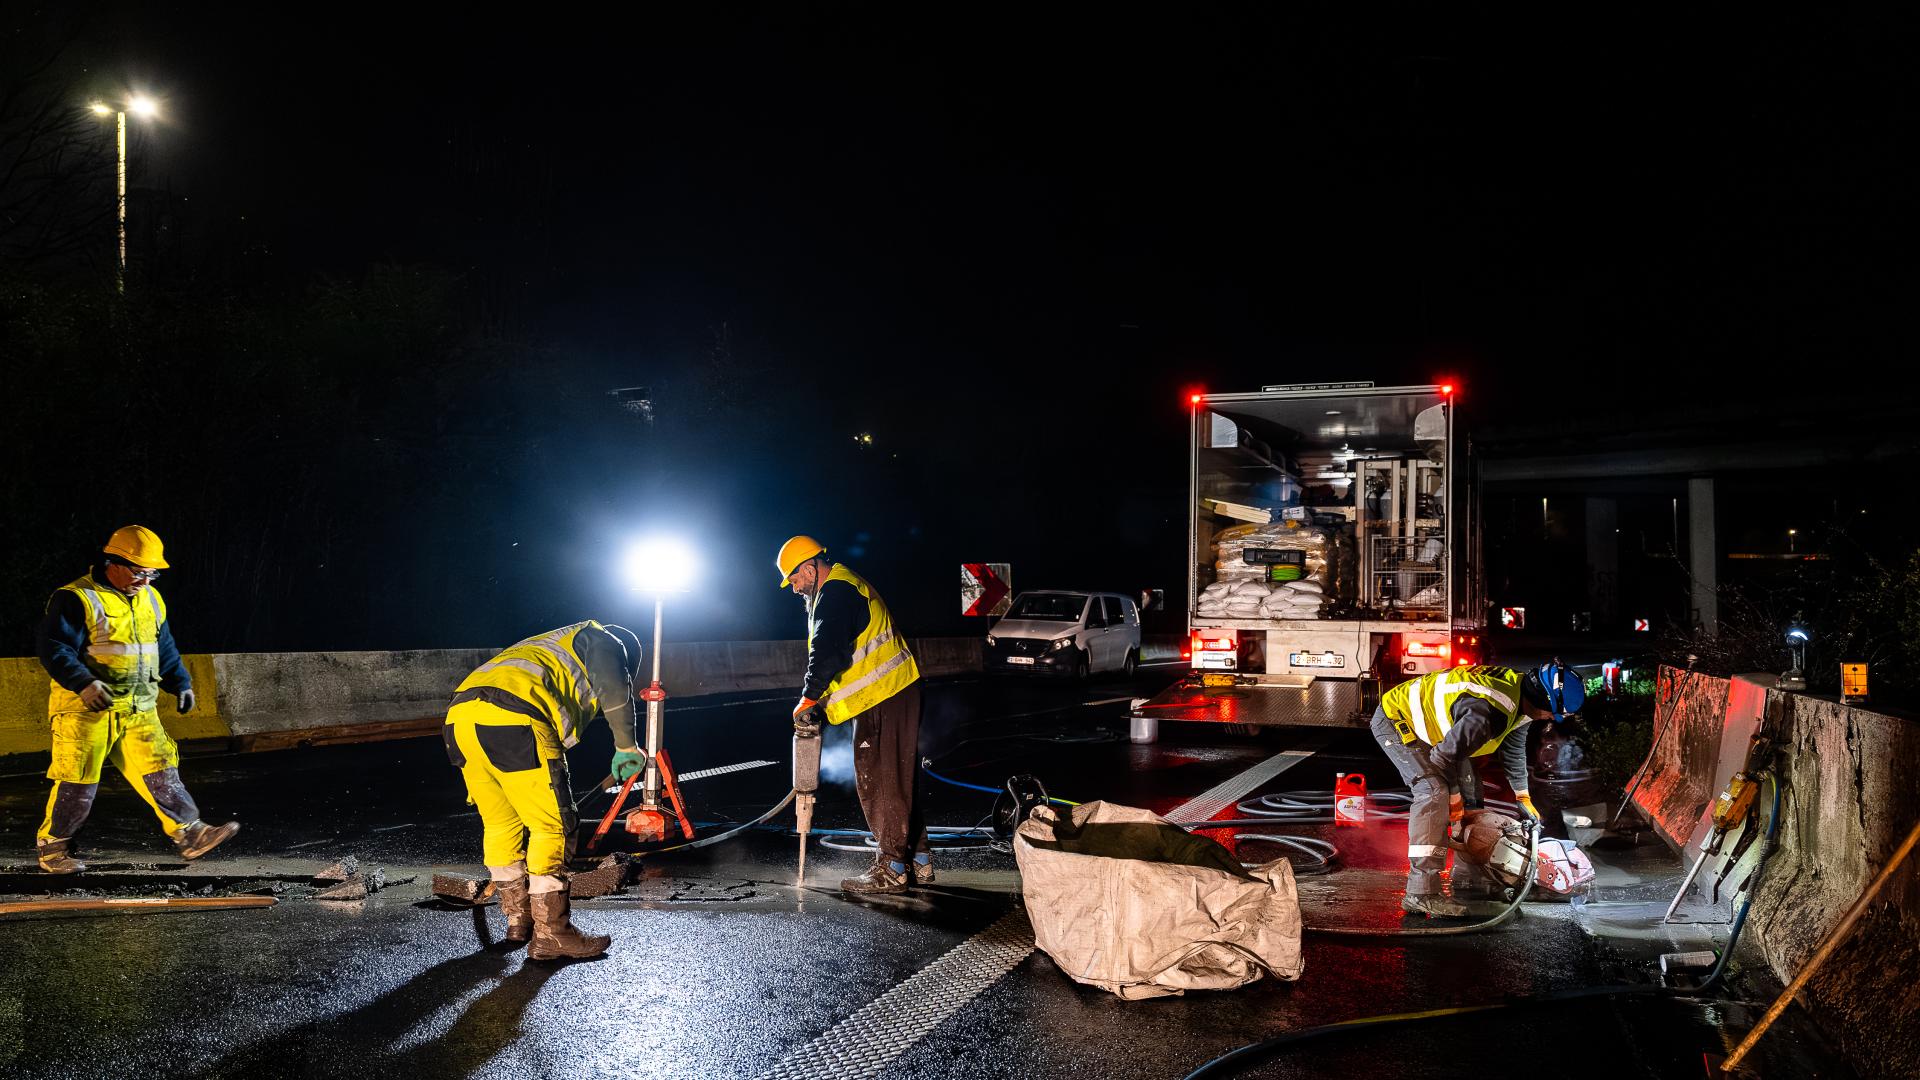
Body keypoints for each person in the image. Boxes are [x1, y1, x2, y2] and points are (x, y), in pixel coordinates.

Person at [34, 526, 239, 874]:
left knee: (162, 773)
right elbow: (54, 649)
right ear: (112, 562)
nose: (145, 580)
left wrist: (181, 683)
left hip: (139, 708)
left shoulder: (152, 599)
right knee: (77, 784)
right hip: (86, 711)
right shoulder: (76, 597)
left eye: (151, 573)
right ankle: (53, 850)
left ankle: (190, 834)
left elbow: (163, 648)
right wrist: (84, 683)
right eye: (139, 572)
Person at [444, 620, 644, 959]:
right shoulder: (604, 640)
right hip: (515, 721)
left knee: (500, 824)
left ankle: (519, 921)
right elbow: (614, 689)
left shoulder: (550, 643)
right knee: (552, 826)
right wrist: (627, 746)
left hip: (459, 719)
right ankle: (552, 933)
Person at [1370, 661, 1584, 917]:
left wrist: (1522, 795)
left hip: (1445, 735)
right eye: (1553, 713)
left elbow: (1513, 745)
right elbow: (1442, 759)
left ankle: (1469, 878)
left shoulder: (1523, 696)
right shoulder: (1486, 714)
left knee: (1472, 794)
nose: (1551, 718)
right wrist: (1454, 798)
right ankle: (1421, 893)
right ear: (1542, 700)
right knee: (1434, 792)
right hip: (1398, 719)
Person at [777, 535, 929, 895]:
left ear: (811, 567)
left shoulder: (837, 592)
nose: (795, 587)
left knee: (880, 780)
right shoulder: (842, 586)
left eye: (796, 578)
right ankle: (918, 860)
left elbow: (828, 652)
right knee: (899, 777)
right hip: (890, 693)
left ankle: (892, 867)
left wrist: (808, 697)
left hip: (885, 695)